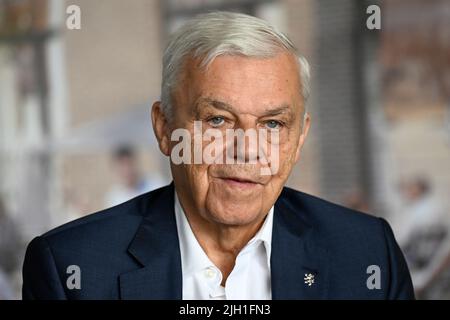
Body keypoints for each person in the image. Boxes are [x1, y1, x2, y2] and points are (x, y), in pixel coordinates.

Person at [22, 12, 414, 300]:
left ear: (299, 139)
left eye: (273, 124)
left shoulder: (365, 254)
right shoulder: (71, 269)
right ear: (164, 128)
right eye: (218, 120)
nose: (246, 149)